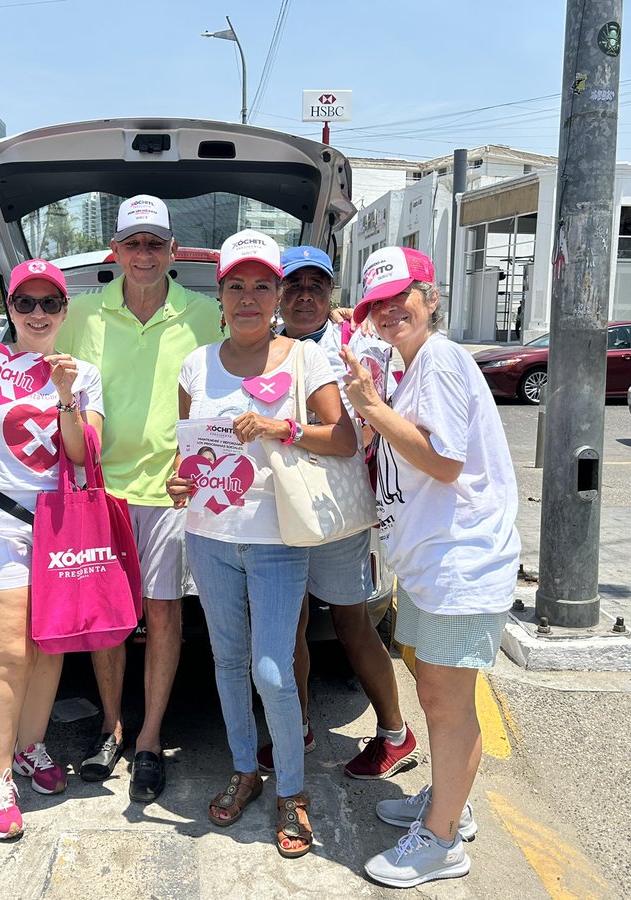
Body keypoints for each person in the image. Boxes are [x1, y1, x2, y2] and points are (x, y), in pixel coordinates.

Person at [167, 230, 358, 859]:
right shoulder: (197, 364)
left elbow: (342, 439)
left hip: (279, 537)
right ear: (218, 293)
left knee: (273, 670)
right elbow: (187, 455)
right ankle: (246, 769)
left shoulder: (306, 359)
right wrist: (177, 481)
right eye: (235, 286)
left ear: (278, 293)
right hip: (210, 534)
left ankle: (292, 790)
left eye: (261, 286)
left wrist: (282, 426)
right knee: (225, 662)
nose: (248, 298)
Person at [341, 247, 520, 888]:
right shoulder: (408, 363)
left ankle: (442, 840)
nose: (391, 312)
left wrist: (372, 408)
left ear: (431, 294)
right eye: (377, 305)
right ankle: (450, 802)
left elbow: (444, 463)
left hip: (459, 563)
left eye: (402, 297)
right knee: (437, 694)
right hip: (431, 562)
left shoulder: (440, 361)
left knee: (447, 705)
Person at [56, 195, 220, 803]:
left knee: (164, 613)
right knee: (107, 618)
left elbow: (257, 358)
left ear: (172, 251)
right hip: (98, 489)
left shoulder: (206, 313)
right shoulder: (79, 314)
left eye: (155, 244)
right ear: (116, 252)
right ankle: (111, 724)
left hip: (174, 491)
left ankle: (148, 735)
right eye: (133, 244)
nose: (144, 255)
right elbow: (26, 361)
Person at [0, 259, 104, 840]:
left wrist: (64, 398)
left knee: (50, 647)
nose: (37, 313)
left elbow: (83, 455)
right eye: (25, 303)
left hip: (59, 527)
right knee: (8, 654)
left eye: (49, 303)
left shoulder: (81, 374)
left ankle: (31, 746)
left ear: (64, 310)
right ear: (9, 307)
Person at [258, 245, 418, 781]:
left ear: (333, 294)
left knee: (351, 620)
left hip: (340, 505)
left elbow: (387, 417)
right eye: (294, 284)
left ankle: (395, 732)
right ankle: (296, 725)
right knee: (293, 623)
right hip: (283, 503)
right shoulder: (264, 345)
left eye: (317, 285)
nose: (306, 294)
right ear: (279, 294)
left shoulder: (361, 344)